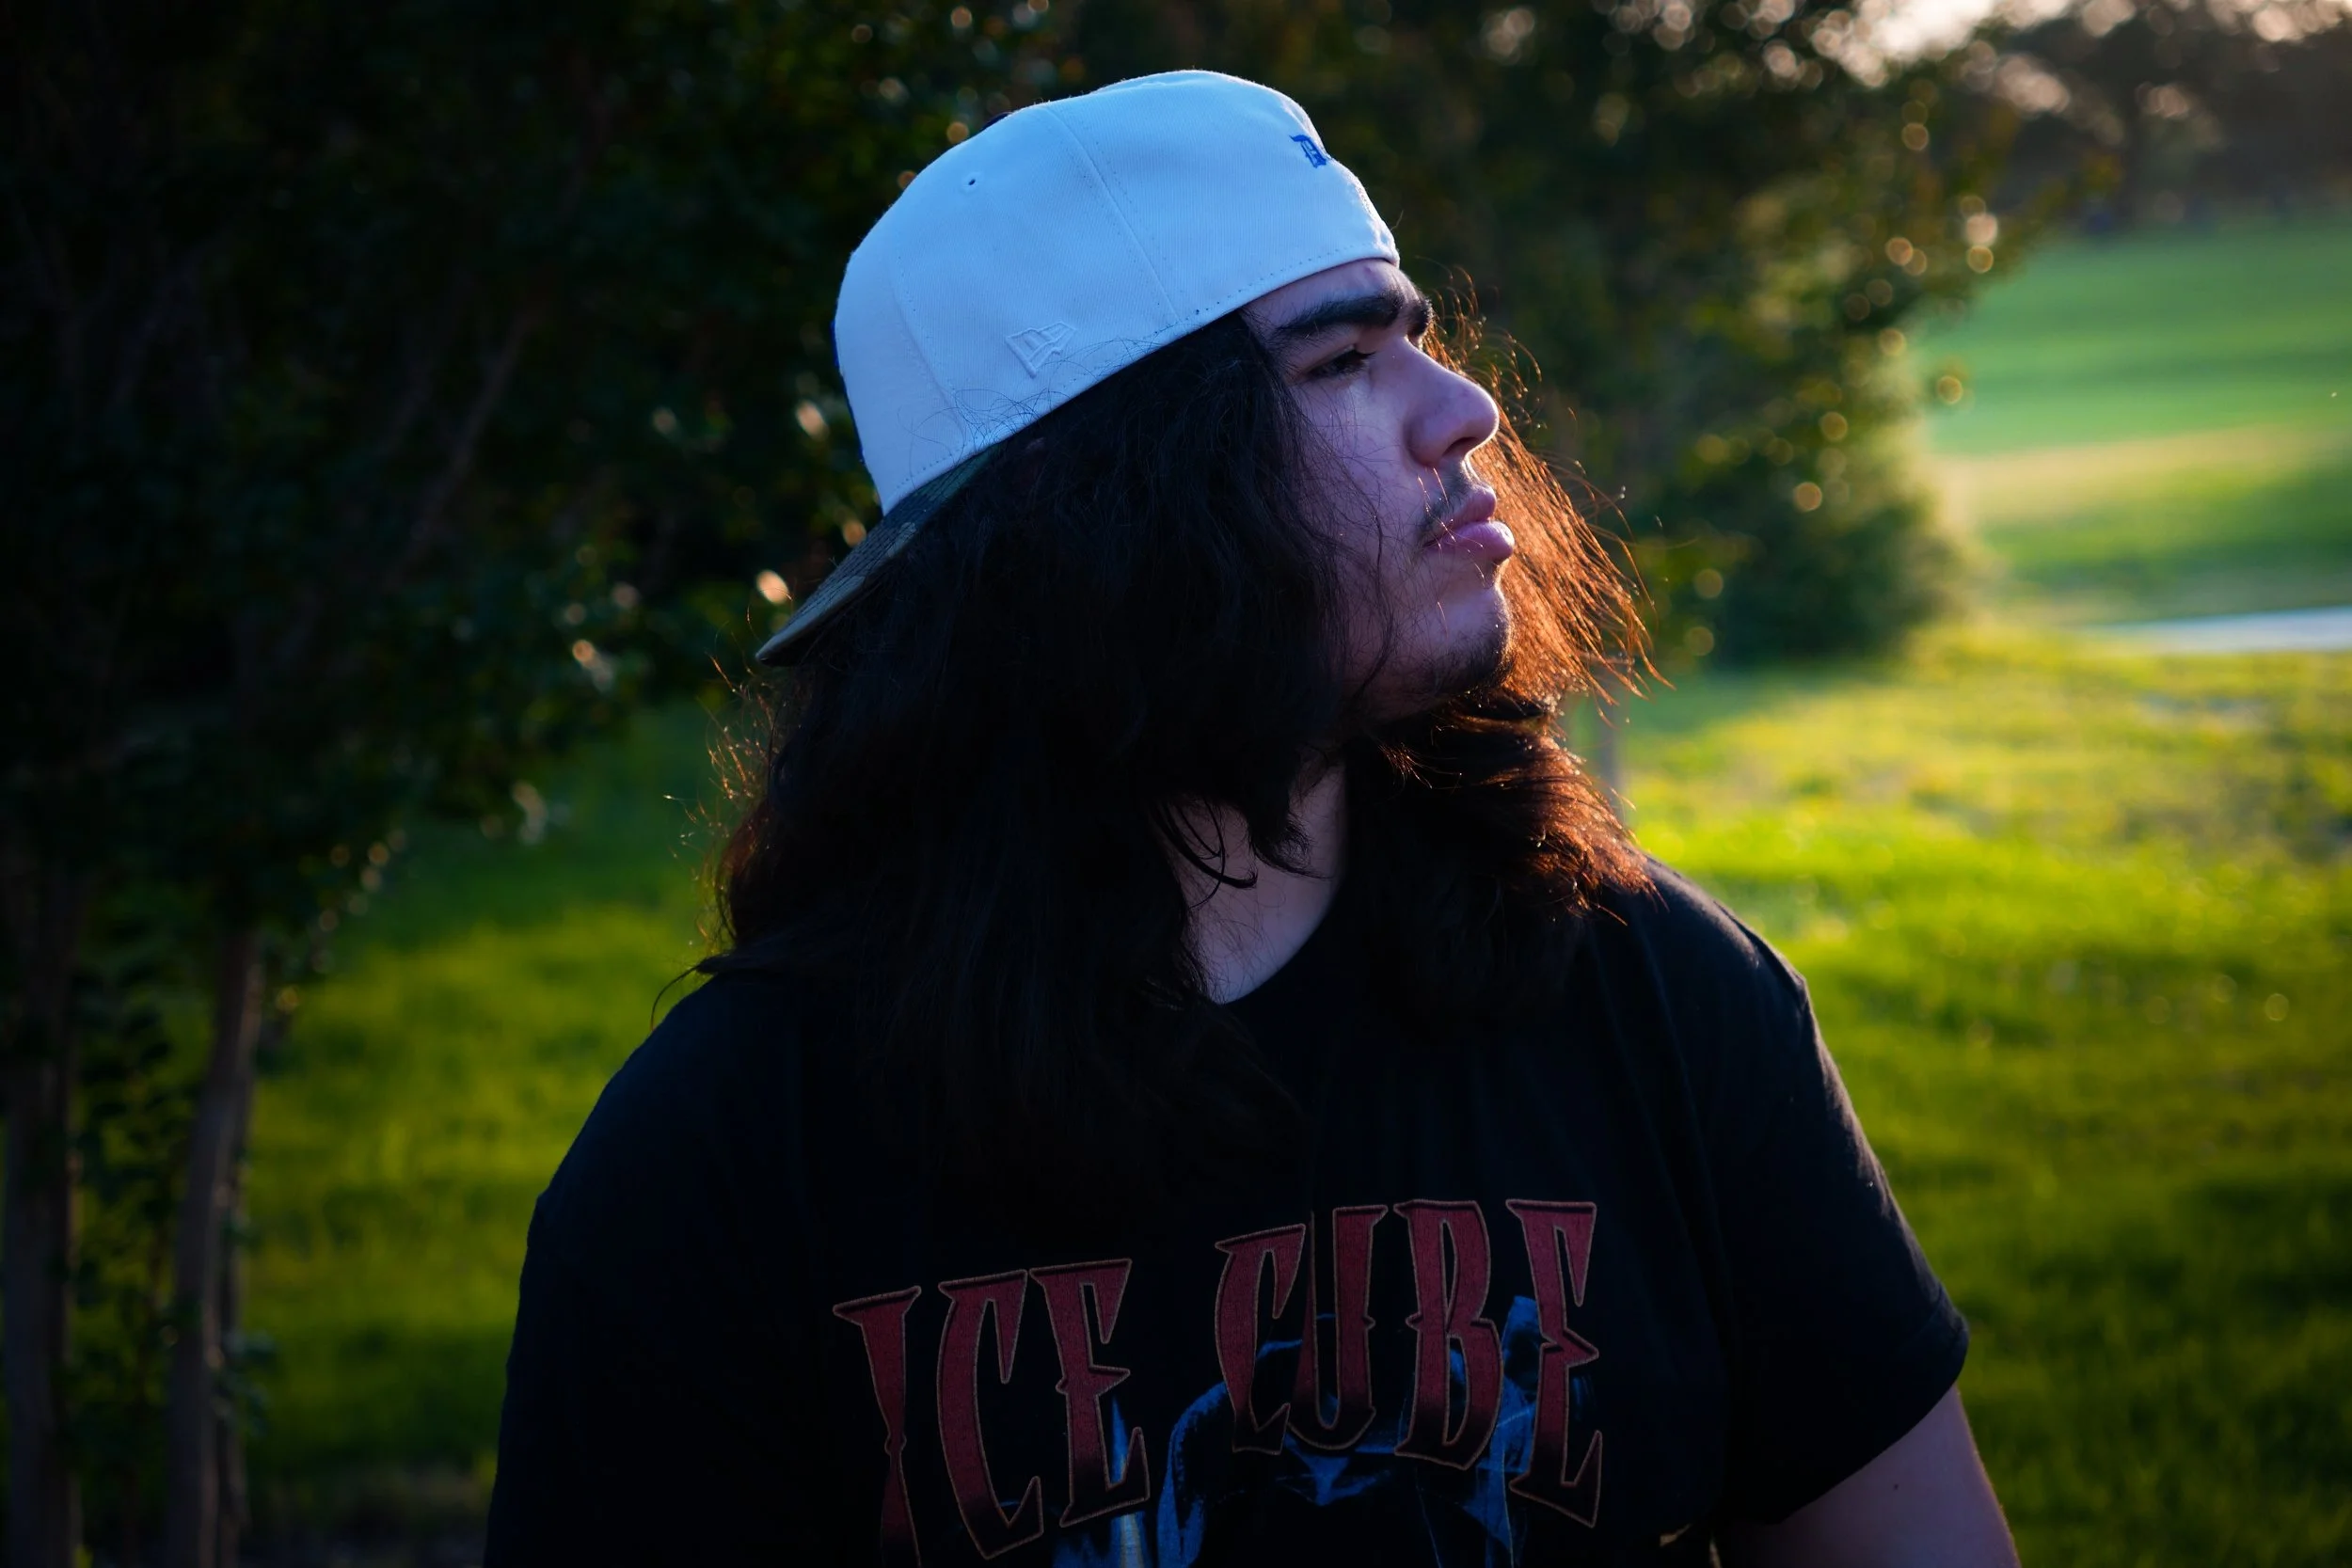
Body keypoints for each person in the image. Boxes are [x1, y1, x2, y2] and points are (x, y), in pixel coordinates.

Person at [485, 71, 2017, 1567]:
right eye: (1341, 361)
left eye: (1414, 337)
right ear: (1096, 505)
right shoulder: (723, 1164)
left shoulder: (1652, 993)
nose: (1468, 409)